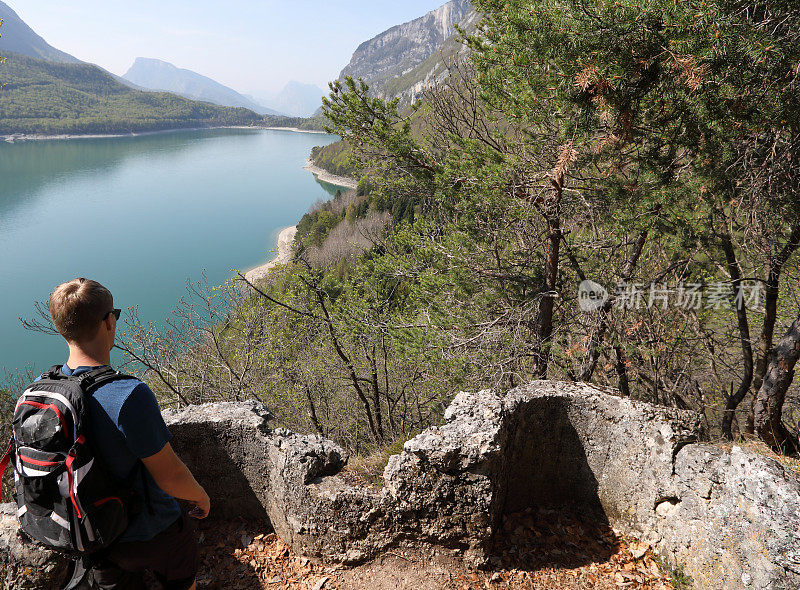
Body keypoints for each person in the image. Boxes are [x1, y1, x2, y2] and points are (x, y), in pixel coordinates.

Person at [46, 278, 210, 590]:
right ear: (109, 321)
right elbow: (170, 476)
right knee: (180, 577)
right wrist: (201, 497)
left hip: (90, 536)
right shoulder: (127, 394)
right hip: (152, 530)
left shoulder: (43, 390)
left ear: (62, 329)